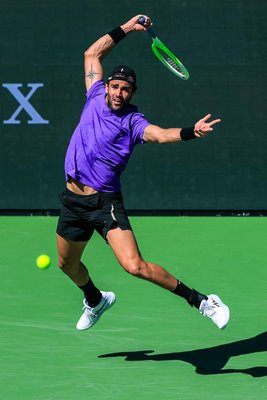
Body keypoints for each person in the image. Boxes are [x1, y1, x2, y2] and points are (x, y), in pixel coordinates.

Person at [56, 14, 230, 332]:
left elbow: (161, 134)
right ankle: (96, 300)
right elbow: (91, 54)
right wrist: (128, 27)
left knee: (134, 266)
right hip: (72, 199)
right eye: (116, 86)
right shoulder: (94, 95)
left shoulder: (133, 122)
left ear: (132, 94)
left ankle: (203, 301)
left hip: (104, 202)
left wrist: (193, 130)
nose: (120, 93)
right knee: (67, 264)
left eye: (127, 89)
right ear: (107, 85)